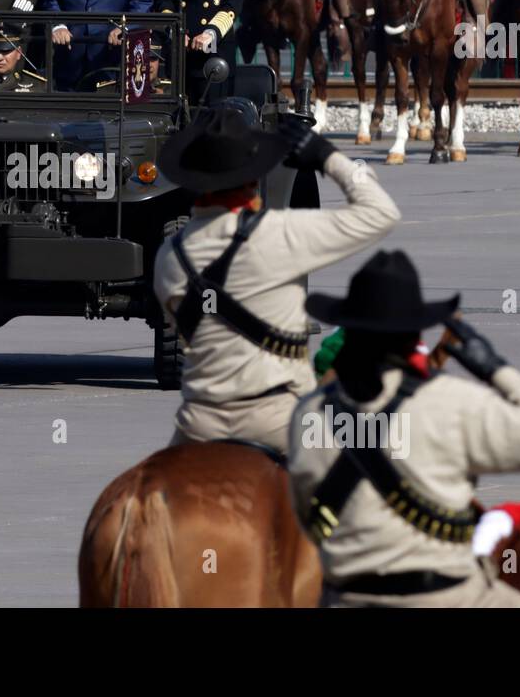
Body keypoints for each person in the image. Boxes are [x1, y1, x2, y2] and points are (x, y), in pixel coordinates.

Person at [291, 251, 520, 607]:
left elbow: (307, 517)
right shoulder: (450, 401)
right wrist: (495, 369)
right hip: (446, 597)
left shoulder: (308, 414)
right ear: (414, 334)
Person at [153, 107, 400, 459]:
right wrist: (329, 157)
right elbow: (381, 213)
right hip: (279, 418)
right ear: (254, 180)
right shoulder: (280, 234)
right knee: (361, 474)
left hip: (200, 421)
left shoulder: (169, 254)